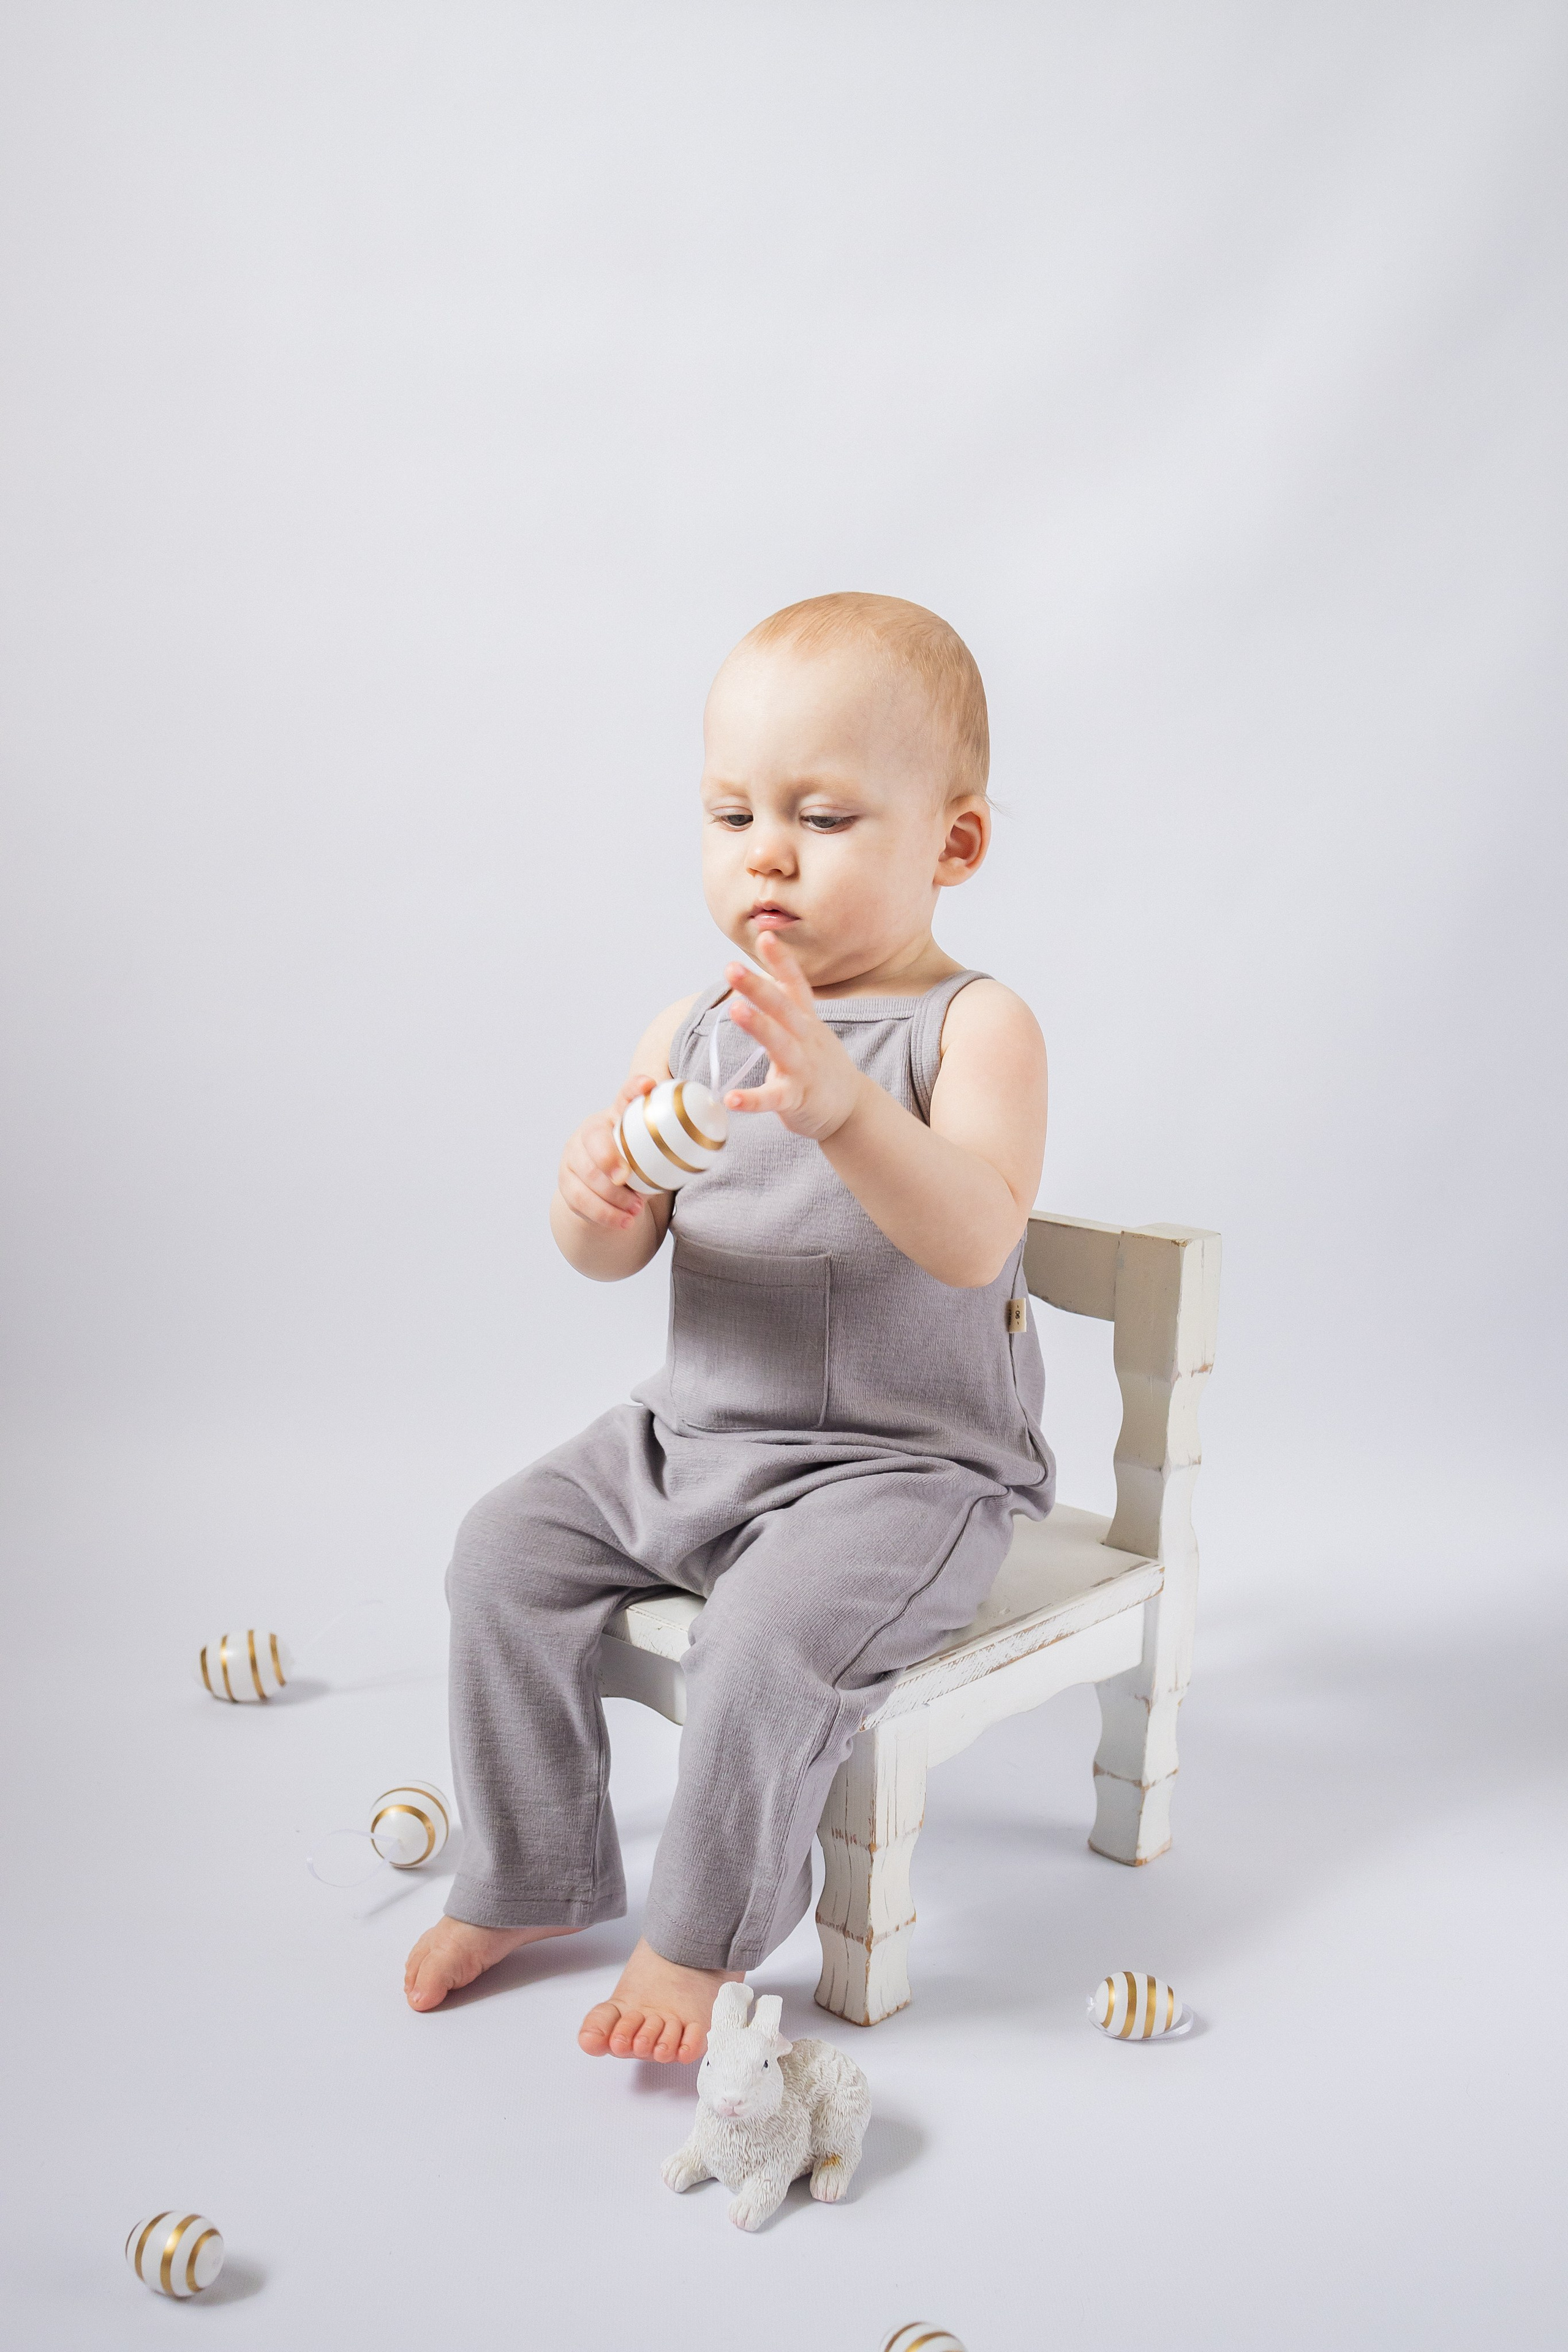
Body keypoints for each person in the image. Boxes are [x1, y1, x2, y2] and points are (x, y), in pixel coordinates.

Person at [404, 591, 1053, 2060]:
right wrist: (598, 1188)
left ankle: (698, 1944)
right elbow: (605, 1258)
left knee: (758, 1646)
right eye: (731, 812)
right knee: (500, 1551)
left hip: (902, 1472)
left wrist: (844, 1111)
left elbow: (973, 1236)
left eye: (822, 816)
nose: (765, 850)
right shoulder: (690, 1030)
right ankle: (532, 1874)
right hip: (690, 1438)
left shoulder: (970, 1026)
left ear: (951, 844)